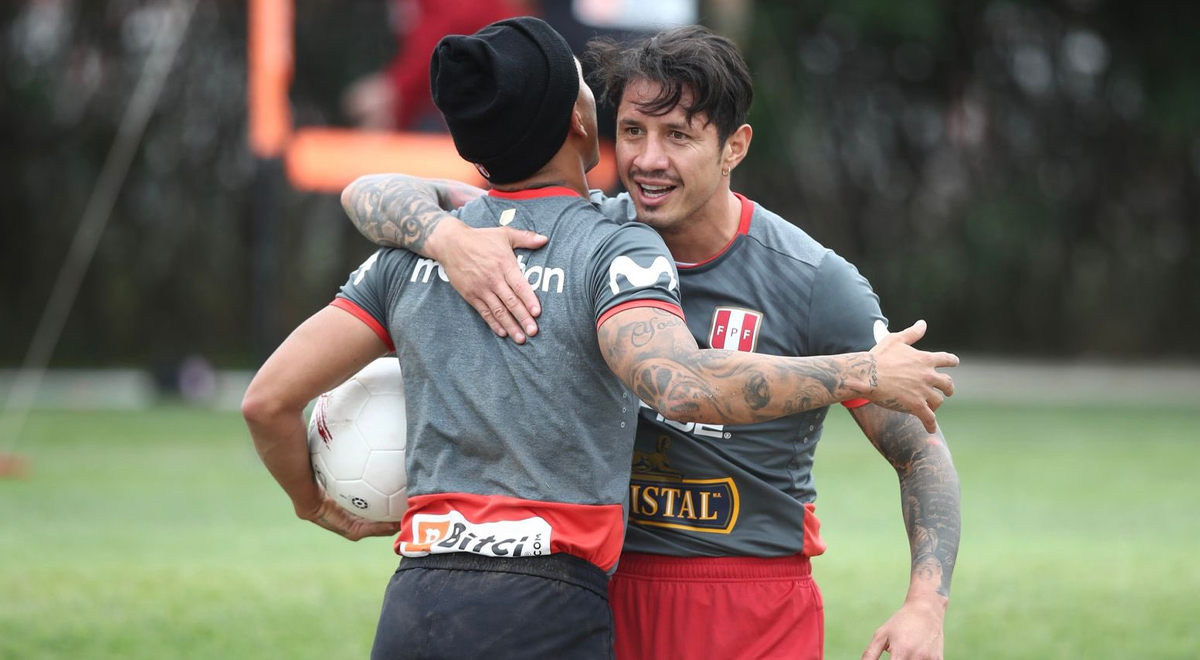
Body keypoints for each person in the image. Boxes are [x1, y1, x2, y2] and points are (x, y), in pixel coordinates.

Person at [247, 17, 956, 660]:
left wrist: (926, 602)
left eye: (678, 136)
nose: (648, 160)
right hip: (599, 591)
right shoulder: (585, 234)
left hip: (746, 599)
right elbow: (376, 193)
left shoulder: (810, 280)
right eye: (634, 132)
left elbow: (917, 447)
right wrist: (445, 238)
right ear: (594, 127)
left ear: (734, 144)